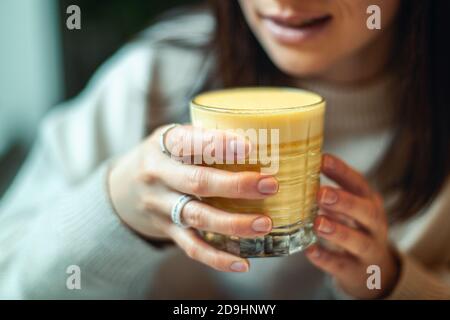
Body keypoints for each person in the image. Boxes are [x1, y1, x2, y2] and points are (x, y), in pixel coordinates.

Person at [1, 0, 450, 299]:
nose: (284, 3)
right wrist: (116, 207)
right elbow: (12, 280)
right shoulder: (158, 77)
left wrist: (390, 283)